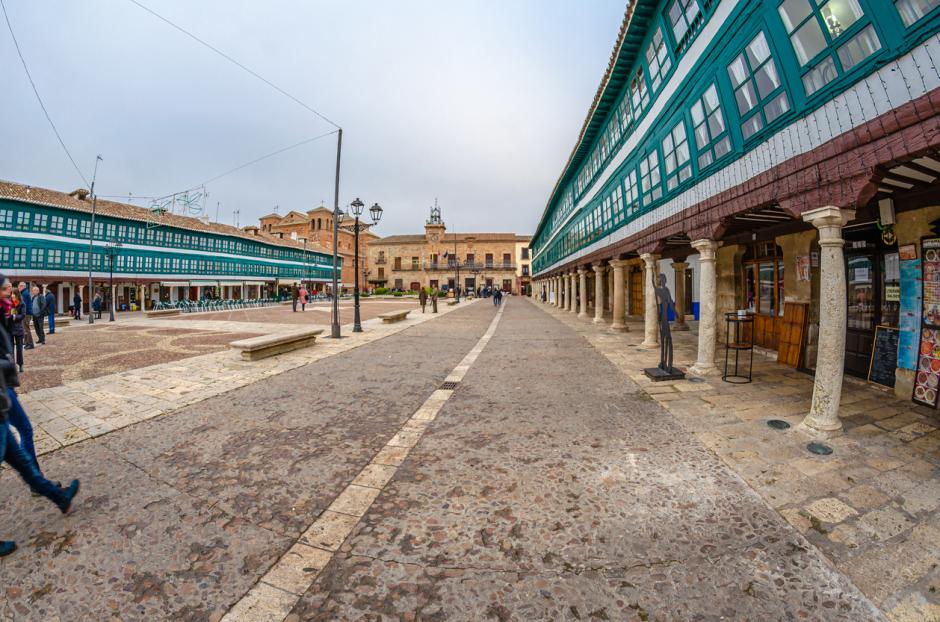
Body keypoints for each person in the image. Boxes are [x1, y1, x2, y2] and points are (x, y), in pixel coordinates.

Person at [0, 274, 81, 557]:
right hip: (0, 393)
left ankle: (58, 497)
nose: (13, 291)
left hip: (4, 390)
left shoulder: (7, 310)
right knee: (17, 449)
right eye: (8, 288)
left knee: (21, 453)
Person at [6, 290, 25, 373]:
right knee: (10, 349)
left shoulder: (22, 304)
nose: (12, 295)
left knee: (19, 348)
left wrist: (15, 317)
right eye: (12, 294)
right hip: (10, 329)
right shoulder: (9, 303)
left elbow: (23, 315)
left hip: (19, 329)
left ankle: (20, 364)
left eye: (14, 294)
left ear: (17, 295)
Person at [17, 282, 34, 350]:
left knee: (26, 329)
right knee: (25, 329)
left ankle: (30, 344)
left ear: (22, 286)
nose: (18, 288)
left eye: (19, 286)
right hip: (26, 313)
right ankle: (27, 343)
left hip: (26, 313)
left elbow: (23, 305)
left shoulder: (24, 293)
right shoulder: (24, 293)